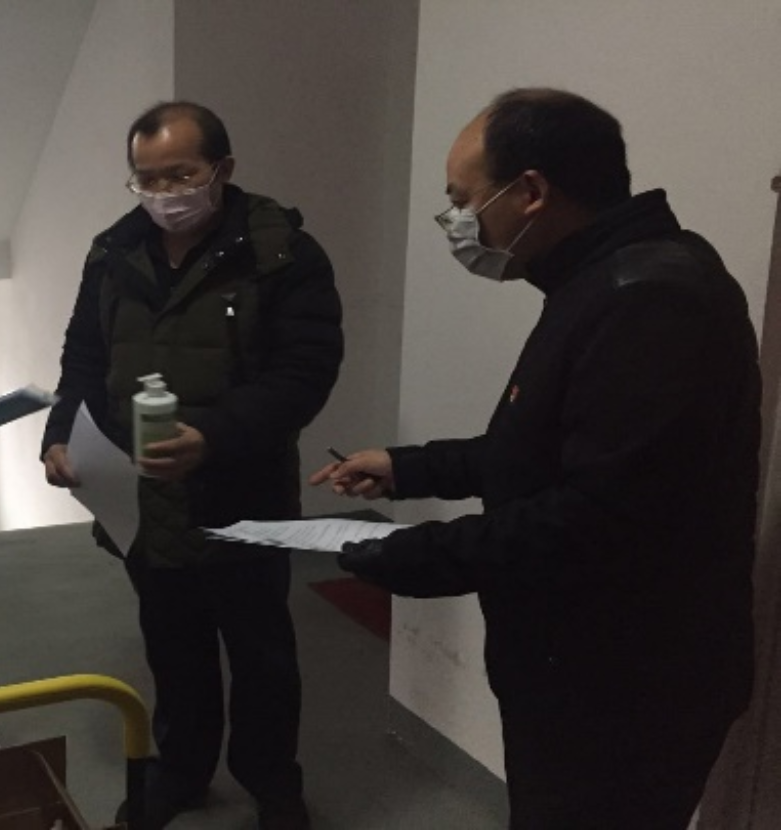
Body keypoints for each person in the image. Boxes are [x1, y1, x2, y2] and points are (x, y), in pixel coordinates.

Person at [312, 89, 759, 829]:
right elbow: (540, 450)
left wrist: (413, 554)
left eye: (462, 200)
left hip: (625, 694)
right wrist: (408, 467)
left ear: (530, 192)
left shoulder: (652, 300)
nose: (458, 222)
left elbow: (597, 518)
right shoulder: (598, 280)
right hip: (576, 673)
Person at [41, 102, 342, 830]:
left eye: (180, 174)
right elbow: (83, 356)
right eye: (146, 178)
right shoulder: (113, 253)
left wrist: (212, 436)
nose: (163, 193)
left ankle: (272, 782)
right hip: (141, 499)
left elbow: (304, 374)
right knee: (172, 646)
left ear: (222, 169)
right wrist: (60, 433)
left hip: (244, 493)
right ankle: (180, 770)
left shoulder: (282, 253)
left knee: (262, 653)